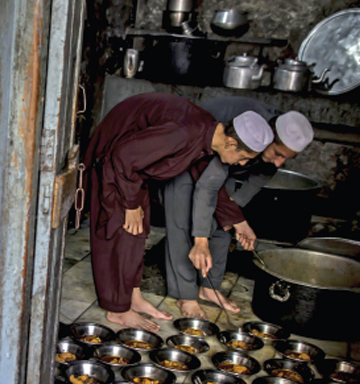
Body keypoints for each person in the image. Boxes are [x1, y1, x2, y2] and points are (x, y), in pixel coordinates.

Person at [83, 93, 273, 332]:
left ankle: (133, 297)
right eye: (243, 158)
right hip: (112, 164)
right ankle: (117, 310)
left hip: (132, 171)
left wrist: (238, 220)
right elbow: (122, 156)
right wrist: (130, 205)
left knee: (139, 231)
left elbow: (211, 185)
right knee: (119, 228)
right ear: (231, 143)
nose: (243, 164)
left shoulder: (207, 136)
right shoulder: (183, 133)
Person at [164, 96, 314, 319]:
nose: (280, 164)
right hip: (190, 155)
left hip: (228, 162)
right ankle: (185, 294)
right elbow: (207, 187)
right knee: (182, 221)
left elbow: (234, 203)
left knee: (223, 227)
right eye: (278, 154)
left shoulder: (266, 157)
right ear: (268, 138)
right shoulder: (249, 129)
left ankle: (209, 288)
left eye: (287, 159)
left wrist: (238, 221)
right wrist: (201, 239)